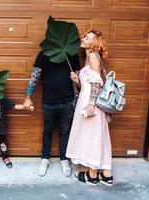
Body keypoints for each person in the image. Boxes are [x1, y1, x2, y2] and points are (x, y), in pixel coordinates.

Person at [66, 30, 113, 186]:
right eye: (85, 36)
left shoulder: (92, 56)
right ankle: (107, 174)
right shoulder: (89, 58)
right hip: (88, 100)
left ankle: (92, 176)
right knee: (97, 136)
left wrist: (91, 104)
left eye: (88, 38)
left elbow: (96, 83)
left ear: (95, 43)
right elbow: (88, 83)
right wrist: (77, 80)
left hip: (90, 104)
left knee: (92, 137)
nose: (83, 39)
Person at [23, 51, 80, 177]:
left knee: (65, 131)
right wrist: (28, 97)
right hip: (48, 101)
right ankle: (45, 158)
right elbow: (35, 76)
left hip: (68, 101)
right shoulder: (44, 53)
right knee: (48, 130)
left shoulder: (71, 54)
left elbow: (78, 77)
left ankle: (64, 159)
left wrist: (77, 82)